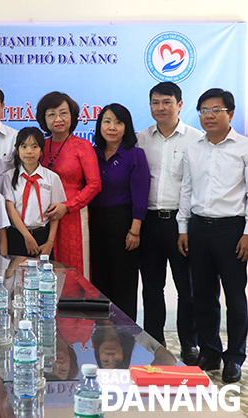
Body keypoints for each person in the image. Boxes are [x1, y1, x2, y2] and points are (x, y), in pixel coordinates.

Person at [177, 88, 248, 383]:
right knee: (203, 296)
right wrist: (183, 227)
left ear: (230, 113)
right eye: (203, 110)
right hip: (198, 229)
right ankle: (209, 351)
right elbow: (187, 189)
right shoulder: (193, 148)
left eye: (215, 110)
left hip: (232, 231)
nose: (208, 116)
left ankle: (234, 357)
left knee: (235, 296)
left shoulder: (243, 148)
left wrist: (247, 233)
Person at [136, 82, 200, 365]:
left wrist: (184, 227)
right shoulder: (140, 139)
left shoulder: (195, 140)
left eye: (166, 102)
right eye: (155, 102)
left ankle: (190, 344)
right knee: (151, 288)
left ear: (180, 104)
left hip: (180, 223)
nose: (160, 107)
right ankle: (154, 342)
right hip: (149, 223)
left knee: (187, 289)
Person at [89, 104, 150, 322]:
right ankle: (100, 338)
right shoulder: (91, 153)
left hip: (123, 222)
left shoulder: (135, 155)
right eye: (107, 121)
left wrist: (135, 230)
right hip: (93, 223)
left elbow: (141, 194)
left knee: (123, 280)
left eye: (118, 122)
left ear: (126, 127)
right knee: (98, 279)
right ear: (99, 125)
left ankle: (125, 336)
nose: (112, 127)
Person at [36, 92, 101, 279]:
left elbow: (95, 184)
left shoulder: (83, 146)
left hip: (73, 215)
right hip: (43, 216)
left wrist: (67, 207)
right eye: (51, 114)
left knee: (74, 269)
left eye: (63, 113)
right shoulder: (39, 146)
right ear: (44, 119)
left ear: (72, 116)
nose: (58, 119)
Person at [3, 127, 66, 257]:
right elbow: (10, 208)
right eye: (24, 146)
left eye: (34, 146)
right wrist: (27, 237)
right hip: (17, 235)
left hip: (43, 236)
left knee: (43, 275)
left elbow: (55, 213)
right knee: (16, 275)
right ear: (17, 149)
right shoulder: (9, 176)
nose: (29, 151)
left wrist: (50, 242)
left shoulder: (51, 177)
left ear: (41, 150)